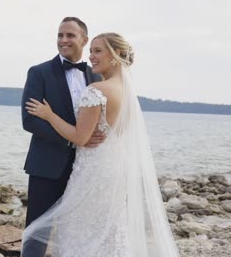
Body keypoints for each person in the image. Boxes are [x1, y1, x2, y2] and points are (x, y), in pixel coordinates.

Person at [21, 33, 180, 256]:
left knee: (79, 229)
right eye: (92, 51)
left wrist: (48, 115)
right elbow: (118, 132)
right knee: (108, 229)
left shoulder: (97, 89)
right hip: (113, 166)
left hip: (94, 169)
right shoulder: (126, 90)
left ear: (114, 56)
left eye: (98, 51)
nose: (92, 56)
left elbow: (79, 138)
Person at [20, 17, 103, 257]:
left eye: (70, 35)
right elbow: (30, 120)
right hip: (46, 165)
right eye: (60, 35)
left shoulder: (95, 75)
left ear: (84, 40)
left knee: (77, 226)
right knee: (37, 228)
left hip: (86, 166)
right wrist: (72, 139)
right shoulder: (39, 72)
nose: (63, 40)